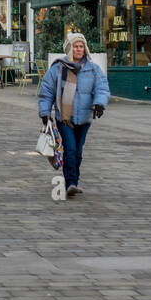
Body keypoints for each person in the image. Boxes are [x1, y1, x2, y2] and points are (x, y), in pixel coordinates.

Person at [38, 32, 109, 198]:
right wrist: (45, 112)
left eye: (81, 46)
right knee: (70, 148)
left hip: (84, 118)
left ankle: (74, 180)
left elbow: (102, 87)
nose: (79, 49)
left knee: (78, 151)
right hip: (64, 117)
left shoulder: (93, 68)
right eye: (76, 46)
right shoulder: (58, 68)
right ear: (70, 49)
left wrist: (100, 103)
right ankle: (70, 182)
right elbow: (46, 91)